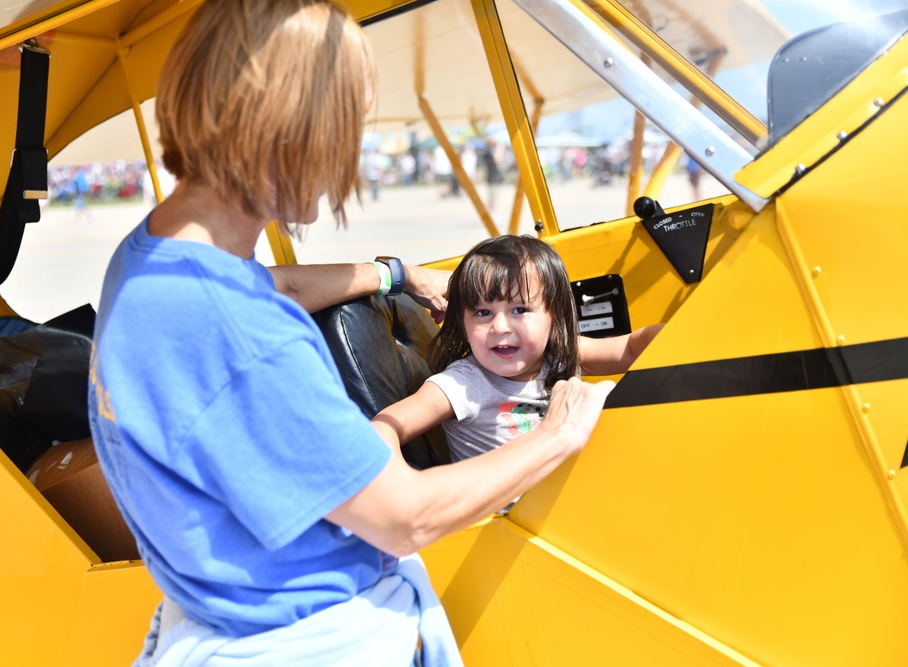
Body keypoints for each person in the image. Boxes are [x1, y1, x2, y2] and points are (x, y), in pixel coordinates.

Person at [88, 2, 613, 665]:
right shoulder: (240, 336)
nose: (350, 155)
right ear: (285, 129)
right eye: (344, 129)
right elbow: (405, 517)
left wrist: (393, 274)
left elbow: (260, 283)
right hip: (316, 637)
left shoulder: (150, 265)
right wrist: (558, 431)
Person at [373, 235, 663, 463]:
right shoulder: (463, 384)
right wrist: (404, 489)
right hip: (511, 527)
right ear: (462, 322)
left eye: (520, 309)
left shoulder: (559, 352)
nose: (500, 327)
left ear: (554, 316)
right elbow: (384, 428)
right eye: (483, 313)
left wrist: (681, 331)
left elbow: (629, 349)